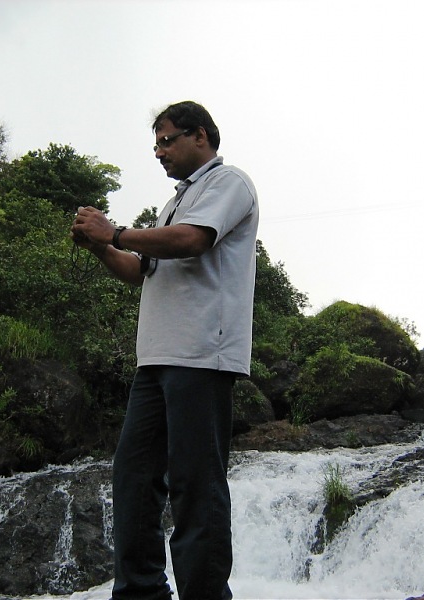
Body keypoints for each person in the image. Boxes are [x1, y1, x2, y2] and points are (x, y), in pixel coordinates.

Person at [71, 101, 259, 600]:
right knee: (133, 478)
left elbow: (192, 241)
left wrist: (115, 231)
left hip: (201, 355)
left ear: (200, 136)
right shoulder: (175, 202)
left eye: (167, 140)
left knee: (195, 486)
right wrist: (104, 249)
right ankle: (140, 592)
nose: (159, 152)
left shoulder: (228, 183)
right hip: (154, 360)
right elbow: (143, 270)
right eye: (155, 144)